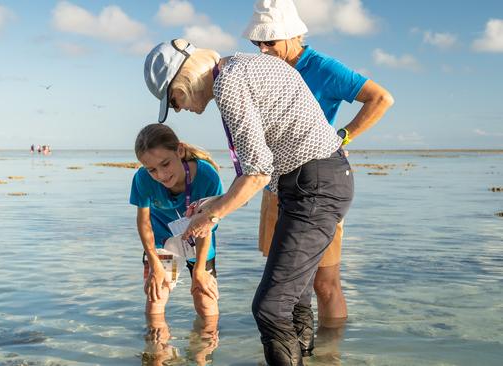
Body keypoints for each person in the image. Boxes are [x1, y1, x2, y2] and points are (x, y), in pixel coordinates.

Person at [144, 39, 353, 365]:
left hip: (313, 185)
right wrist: (215, 202)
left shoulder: (228, 84)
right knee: (296, 300)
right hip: (319, 178)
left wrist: (211, 215)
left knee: (269, 308)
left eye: (174, 99)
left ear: (183, 77)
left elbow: (256, 173)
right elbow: (266, 168)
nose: (179, 109)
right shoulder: (244, 65)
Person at [242, 0, 394, 328]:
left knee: (324, 284)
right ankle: (301, 350)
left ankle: (331, 356)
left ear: (295, 34)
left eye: (270, 42)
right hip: (275, 186)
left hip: (315, 187)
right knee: (284, 288)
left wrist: (344, 137)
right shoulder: (265, 69)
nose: (263, 50)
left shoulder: (323, 67)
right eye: (257, 43)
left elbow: (381, 98)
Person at [130, 123, 223, 320]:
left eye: (165, 164)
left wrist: (199, 270)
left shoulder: (207, 177)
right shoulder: (142, 179)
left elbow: (207, 228)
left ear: (179, 151)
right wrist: (154, 264)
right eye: (152, 170)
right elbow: (144, 223)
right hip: (163, 242)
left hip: (199, 241)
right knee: (157, 297)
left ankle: (204, 349)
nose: (161, 175)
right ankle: (156, 349)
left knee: (205, 299)